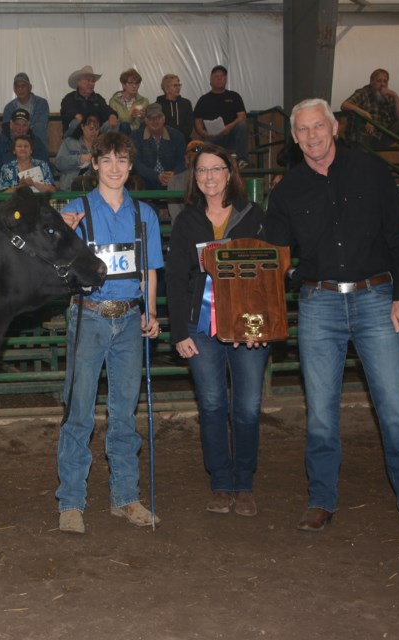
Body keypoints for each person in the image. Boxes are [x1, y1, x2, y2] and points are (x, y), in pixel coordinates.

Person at [266, 98, 399, 545]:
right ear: (295, 137)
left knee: (395, 409)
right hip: (318, 304)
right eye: (303, 130)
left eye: (319, 126)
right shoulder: (286, 191)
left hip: (376, 298)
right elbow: (274, 258)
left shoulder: (372, 171)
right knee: (320, 412)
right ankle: (321, 501)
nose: (312, 136)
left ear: (334, 127)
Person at [55, 131, 164, 534]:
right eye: (108, 160)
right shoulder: (76, 210)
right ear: (95, 164)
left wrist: (151, 311)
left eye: (122, 160)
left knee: (124, 413)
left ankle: (125, 497)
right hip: (89, 317)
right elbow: (55, 263)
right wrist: (62, 231)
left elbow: (148, 269)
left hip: (130, 320)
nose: (115, 168)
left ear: (130, 167)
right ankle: (70, 501)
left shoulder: (144, 215)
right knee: (78, 410)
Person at [165, 143, 268, 517]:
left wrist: (262, 325)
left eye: (215, 169)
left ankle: (245, 484)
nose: (208, 176)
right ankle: (221, 484)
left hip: (248, 328)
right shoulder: (186, 221)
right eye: (201, 171)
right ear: (195, 178)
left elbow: (267, 276)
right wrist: (179, 332)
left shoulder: (254, 216)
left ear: (229, 173)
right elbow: (175, 279)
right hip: (201, 328)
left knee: (247, 408)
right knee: (211, 406)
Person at [341, 69, 399, 159]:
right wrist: (365, 114)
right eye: (379, 81)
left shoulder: (389, 97)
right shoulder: (362, 92)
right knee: (360, 144)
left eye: (385, 81)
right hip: (363, 135)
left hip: (381, 136)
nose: (382, 84)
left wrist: (395, 96)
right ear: (372, 82)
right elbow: (344, 105)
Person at [0, 108, 50, 192]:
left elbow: (46, 165)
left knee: (59, 194)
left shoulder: (37, 143)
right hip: (5, 184)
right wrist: (13, 180)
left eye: (24, 125)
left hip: (34, 184)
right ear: (10, 124)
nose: (20, 128)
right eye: (17, 124)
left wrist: (33, 181)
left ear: (29, 126)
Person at [193, 65, 249, 167]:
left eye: (222, 76)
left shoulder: (234, 96)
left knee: (242, 125)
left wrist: (229, 127)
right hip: (212, 138)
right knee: (195, 149)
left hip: (232, 137)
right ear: (210, 80)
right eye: (216, 76)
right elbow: (198, 122)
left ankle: (242, 160)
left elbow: (242, 116)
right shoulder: (203, 99)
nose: (219, 78)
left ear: (226, 79)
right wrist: (204, 133)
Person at [131, 103, 186, 190]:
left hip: (172, 179)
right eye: (151, 118)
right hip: (145, 180)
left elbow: (182, 161)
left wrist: (174, 174)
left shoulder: (177, 136)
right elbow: (137, 164)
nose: (155, 121)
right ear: (145, 120)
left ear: (164, 119)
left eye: (158, 117)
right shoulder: (136, 136)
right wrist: (157, 176)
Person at [60, 65, 118, 138]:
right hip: (74, 135)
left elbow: (106, 109)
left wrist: (112, 115)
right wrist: (77, 116)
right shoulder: (69, 98)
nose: (91, 83)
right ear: (79, 82)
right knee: (76, 123)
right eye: (88, 80)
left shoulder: (98, 98)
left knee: (114, 123)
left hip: (96, 133)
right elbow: (67, 111)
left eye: (93, 81)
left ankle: (109, 148)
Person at [1, 72, 50, 147]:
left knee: (39, 128)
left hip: (34, 137)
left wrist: (24, 129)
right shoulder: (9, 107)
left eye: (23, 86)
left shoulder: (42, 103)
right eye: (18, 86)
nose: (20, 89)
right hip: (15, 138)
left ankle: (41, 157)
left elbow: (42, 124)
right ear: (14, 89)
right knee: (1, 135)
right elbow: (6, 128)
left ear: (30, 87)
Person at [55, 115, 100, 191]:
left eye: (97, 129)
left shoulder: (102, 146)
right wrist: (79, 159)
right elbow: (59, 163)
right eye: (91, 129)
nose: (94, 132)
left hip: (94, 190)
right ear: (82, 126)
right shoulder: (69, 142)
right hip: (68, 189)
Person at [167, 140, 201, 223]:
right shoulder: (175, 181)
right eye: (194, 150)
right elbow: (175, 214)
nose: (197, 153)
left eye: (200, 150)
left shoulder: (213, 178)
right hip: (185, 226)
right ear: (186, 158)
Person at [156, 73, 194, 141]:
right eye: (175, 85)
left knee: (198, 149)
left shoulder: (186, 103)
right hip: (164, 141)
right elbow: (157, 126)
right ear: (166, 88)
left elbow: (189, 125)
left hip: (183, 139)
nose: (178, 88)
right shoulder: (158, 105)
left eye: (179, 85)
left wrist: (179, 137)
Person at [109, 69, 149, 133]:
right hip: (121, 133)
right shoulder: (114, 101)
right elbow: (114, 124)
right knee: (124, 126)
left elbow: (148, 122)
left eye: (137, 83)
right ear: (123, 85)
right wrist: (131, 117)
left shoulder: (144, 101)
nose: (134, 86)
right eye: (131, 83)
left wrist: (144, 117)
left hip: (139, 133)